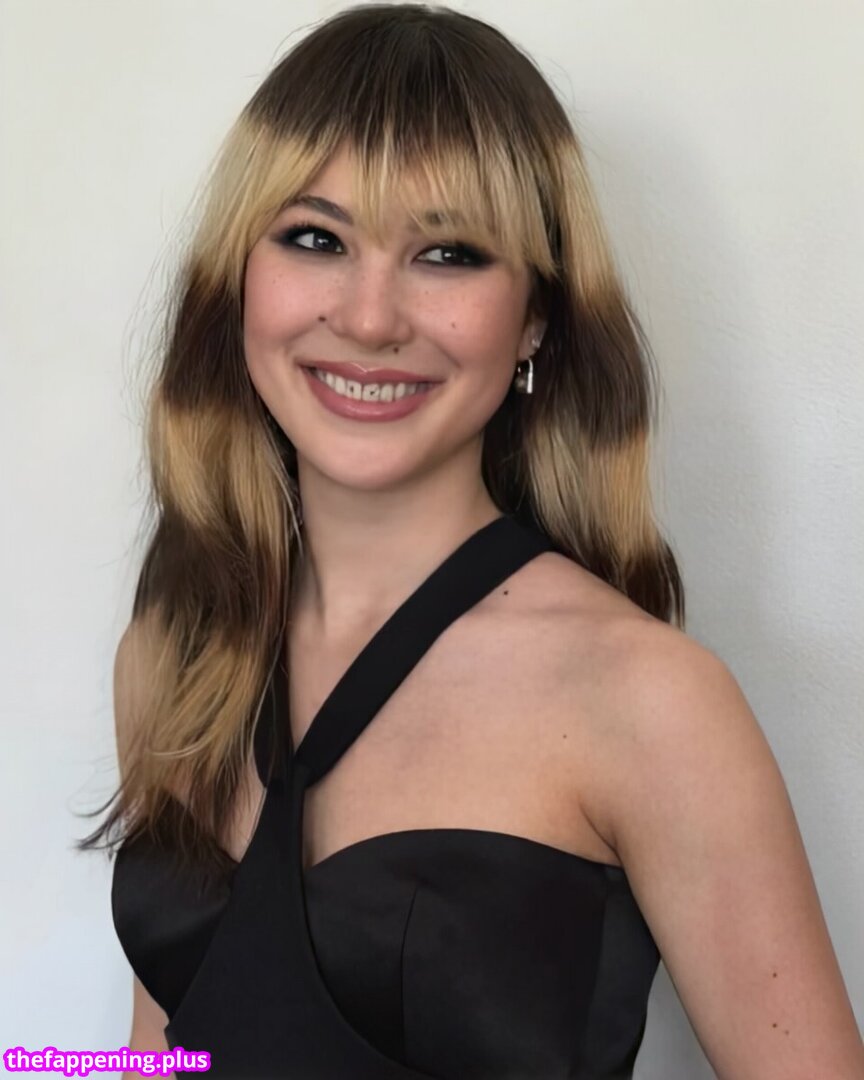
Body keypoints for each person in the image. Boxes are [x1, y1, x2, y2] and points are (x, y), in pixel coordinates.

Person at [80, 4, 864, 1078]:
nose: (370, 318)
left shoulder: (649, 702)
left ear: (536, 315)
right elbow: (161, 1054)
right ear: (239, 279)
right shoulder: (174, 657)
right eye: (316, 238)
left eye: (447, 254)